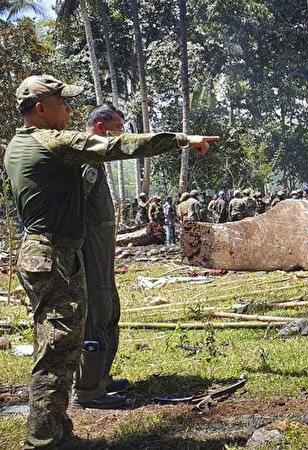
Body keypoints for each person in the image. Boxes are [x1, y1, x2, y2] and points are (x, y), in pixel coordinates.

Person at [4, 75, 217, 449]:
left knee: (62, 346)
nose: (69, 110)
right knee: (56, 349)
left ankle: (57, 429)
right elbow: (118, 146)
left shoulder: (16, 145)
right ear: (40, 108)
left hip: (47, 253)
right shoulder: (51, 142)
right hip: (52, 255)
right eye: (63, 103)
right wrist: (182, 139)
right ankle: (44, 439)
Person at [72, 104, 127, 411]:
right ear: (101, 129)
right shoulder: (88, 161)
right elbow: (75, 206)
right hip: (91, 251)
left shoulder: (97, 161)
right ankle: (88, 388)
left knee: (109, 310)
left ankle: (102, 377)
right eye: (117, 130)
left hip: (102, 251)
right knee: (96, 313)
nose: (120, 137)